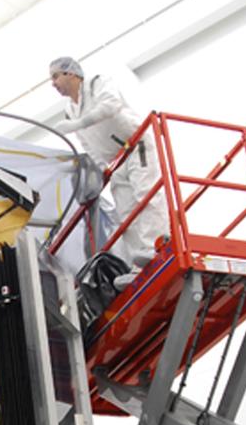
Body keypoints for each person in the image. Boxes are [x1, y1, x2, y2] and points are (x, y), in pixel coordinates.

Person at [49, 56, 168, 284]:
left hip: (135, 144)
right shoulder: (70, 110)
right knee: (126, 210)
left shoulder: (96, 82)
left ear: (71, 73)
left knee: (146, 196)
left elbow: (111, 105)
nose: (53, 83)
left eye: (55, 76)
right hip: (114, 161)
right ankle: (139, 261)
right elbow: (87, 144)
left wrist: (78, 124)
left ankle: (158, 247)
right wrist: (100, 170)